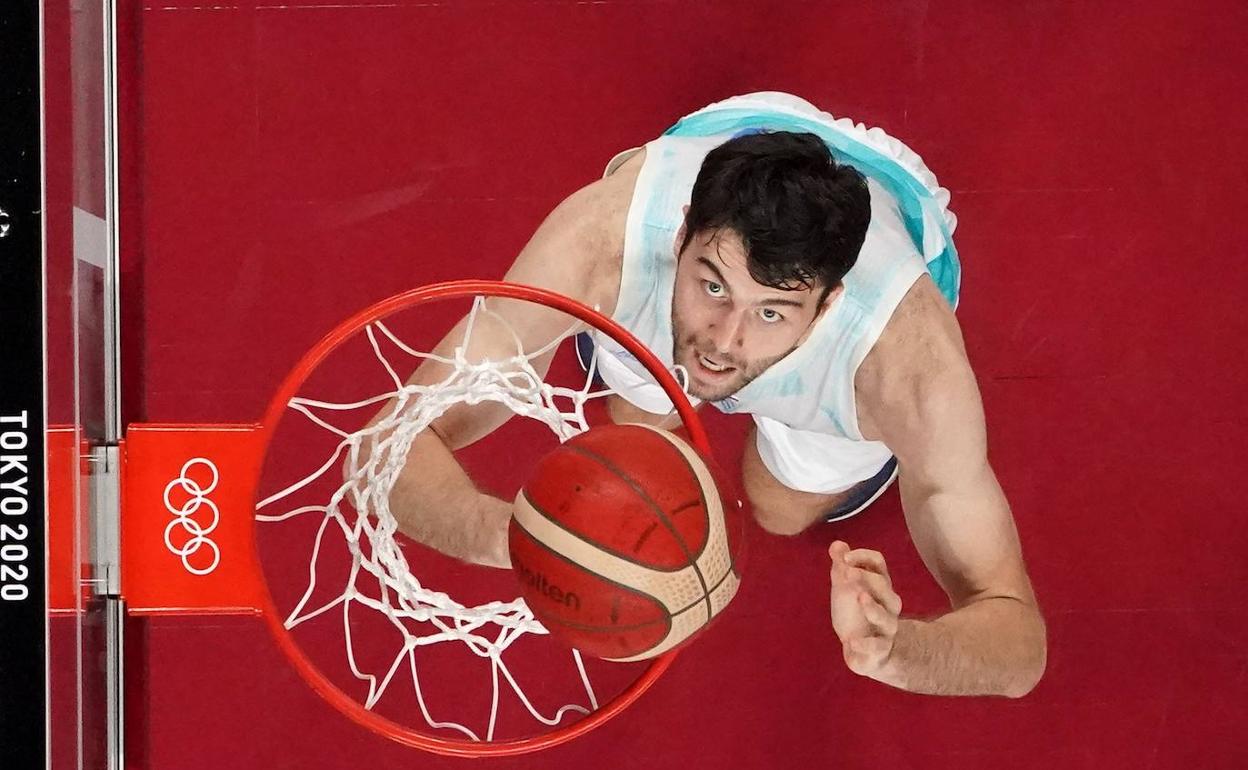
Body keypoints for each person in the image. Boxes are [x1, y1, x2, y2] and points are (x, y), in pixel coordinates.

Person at [385, 93, 1046, 697]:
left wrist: (899, 651)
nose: (724, 343)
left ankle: (820, 449)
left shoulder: (907, 375)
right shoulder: (599, 245)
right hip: (720, 149)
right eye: (714, 286)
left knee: (779, 509)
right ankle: (659, 355)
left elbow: (1020, 643)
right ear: (680, 238)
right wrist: (521, 539)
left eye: (771, 313)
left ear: (827, 305)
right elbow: (398, 440)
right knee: (637, 423)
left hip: (881, 262)